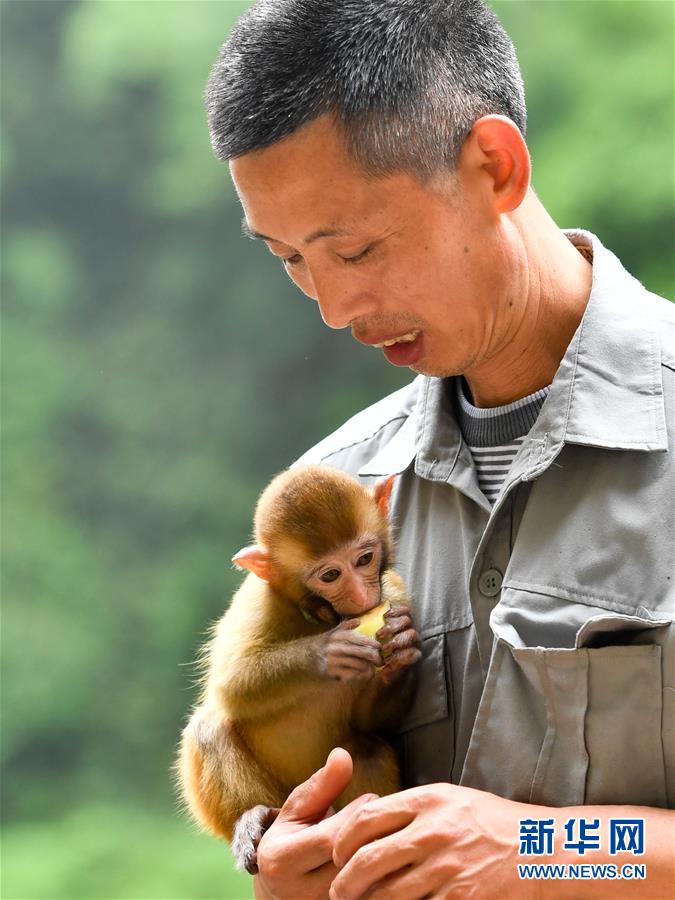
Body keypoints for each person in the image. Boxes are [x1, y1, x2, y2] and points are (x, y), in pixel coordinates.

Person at [205, 1, 674, 896]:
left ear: (492, 167)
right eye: (289, 260)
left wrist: (546, 851)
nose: (333, 308)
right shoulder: (339, 490)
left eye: (355, 248)